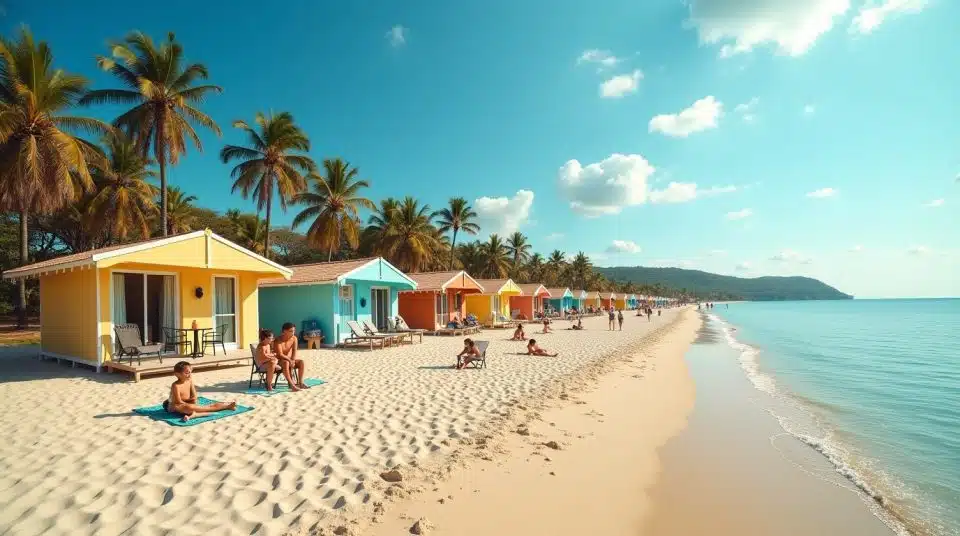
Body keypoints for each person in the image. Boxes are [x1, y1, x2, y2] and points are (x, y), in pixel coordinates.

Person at [163, 361, 236, 422]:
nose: (189, 375)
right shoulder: (175, 385)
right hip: (175, 406)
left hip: (187, 402)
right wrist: (191, 405)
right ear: (177, 374)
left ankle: (227, 405)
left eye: (190, 372)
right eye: (186, 373)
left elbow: (194, 395)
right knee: (190, 408)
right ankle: (197, 413)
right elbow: (178, 401)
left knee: (201, 406)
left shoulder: (189, 381)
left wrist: (193, 401)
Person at [275, 322, 309, 390]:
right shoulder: (278, 340)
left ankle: (300, 383)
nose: (293, 333)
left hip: (288, 359)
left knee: (301, 362)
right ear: (284, 331)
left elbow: (294, 350)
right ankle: (291, 384)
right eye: (291, 331)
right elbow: (280, 354)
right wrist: (290, 360)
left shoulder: (294, 338)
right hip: (279, 361)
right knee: (286, 363)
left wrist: (292, 360)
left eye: (294, 331)